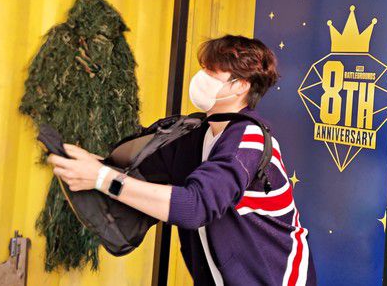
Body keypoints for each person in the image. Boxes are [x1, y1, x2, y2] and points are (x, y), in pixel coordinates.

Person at [47, 34, 317, 285]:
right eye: (204, 69)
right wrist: (88, 164)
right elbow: (136, 175)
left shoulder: (249, 139)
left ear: (241, 86)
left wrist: (101, 178)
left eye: (212, 72)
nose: (201, 78)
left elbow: (195, 206)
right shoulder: (195, 134)